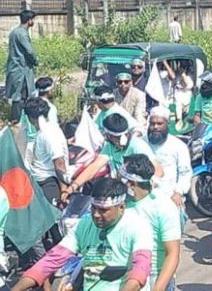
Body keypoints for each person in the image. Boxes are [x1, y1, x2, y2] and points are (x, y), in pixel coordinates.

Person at [13, 178, 152, 291]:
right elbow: (53, 258)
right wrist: (17, 288)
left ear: (121, 207)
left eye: (104, 210)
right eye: (94, 208)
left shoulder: (138, 227)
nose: (96, 215)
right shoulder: (85, 224)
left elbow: (141, 268)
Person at [62, 113, 162, 203]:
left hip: (139, 197)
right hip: (121, 193)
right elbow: (94, 167)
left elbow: (158, 170)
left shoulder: (137, 146)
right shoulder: (110, 146)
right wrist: (73, 186)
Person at [120, 155, 181, 291]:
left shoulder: (163, 206)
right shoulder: (121, 203)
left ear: (132, 184)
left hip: (154, 276)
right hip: (124, 275)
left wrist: (158, 288)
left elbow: (172, 253)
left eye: (123, 179)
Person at [23, 98, 69, 208]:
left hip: (49, 183)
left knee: (51, 221)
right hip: (38, 182)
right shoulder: (42, 132)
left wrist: (63, 189)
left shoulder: (48, 133)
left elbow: (59, 162)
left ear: (30, 117)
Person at [146, 107, 191, 212]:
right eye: (152, 123)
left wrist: (178, 192)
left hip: (170, 196)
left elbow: (185, 173)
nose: (155, 127)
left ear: (167, 124)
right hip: (145, 197)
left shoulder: (178, 146)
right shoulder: (140, 143)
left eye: (159, 123)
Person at [4, 9, 37, 124]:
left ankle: (19, 123)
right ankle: (16, 123)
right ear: (29, 20)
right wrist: (35, 61)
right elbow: (29, 52)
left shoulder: (14, 32)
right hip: (21, 71)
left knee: (18, 96)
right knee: (19, 97)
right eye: (33, 19)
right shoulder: (22, 33)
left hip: (15, 69)